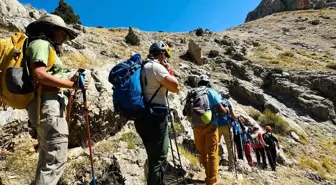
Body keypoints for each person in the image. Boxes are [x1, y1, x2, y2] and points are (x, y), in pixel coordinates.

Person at [25, 14, 87, 185]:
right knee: (56, 158)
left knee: (48, 157)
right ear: (51, 30)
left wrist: (70, 80)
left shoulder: (44, 46)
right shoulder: (41, 44)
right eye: (63, 33)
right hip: (47, 105)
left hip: (46, 104)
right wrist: (70, 84)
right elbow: (39, 75)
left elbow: (46, 75)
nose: (65, 38)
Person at [134, 41, 179, 185]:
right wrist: (169, 70)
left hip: (142, 116)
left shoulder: (142, 67)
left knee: (153, 156)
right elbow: (175, 87)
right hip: (156, 117)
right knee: (159, 158)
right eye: (165, 55)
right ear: (161, 54)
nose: (165, 58)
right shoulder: (156, 67)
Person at [186, 75, 229, 185]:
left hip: (196, 126)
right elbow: (221, 110)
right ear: (207, 83)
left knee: (202, 153)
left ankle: (207, 173)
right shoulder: (211, 91)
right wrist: (226, 110)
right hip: (211, 126)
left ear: (198, 83)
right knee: (212, 153)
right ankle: (211, 179)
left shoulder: (192, 92)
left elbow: (185, 111)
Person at [217, 98, 235, 170]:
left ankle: (215, 163)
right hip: (227, 126)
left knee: (215, 144)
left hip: (217, 126)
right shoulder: (227, 102)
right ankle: (231, 165)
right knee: (230, 147)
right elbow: (233, 116)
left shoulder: (216, 102)